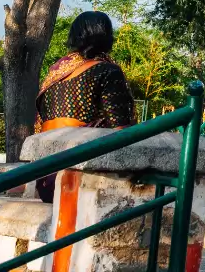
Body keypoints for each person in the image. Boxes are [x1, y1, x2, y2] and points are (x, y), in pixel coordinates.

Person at [34, 11, 135, 202]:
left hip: (47, 179)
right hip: (80, 179)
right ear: (107, 37)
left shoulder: (56, 73)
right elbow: (121, 130)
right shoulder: (107, 71)